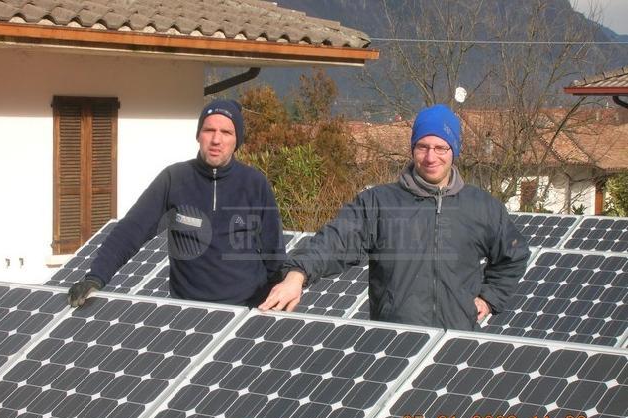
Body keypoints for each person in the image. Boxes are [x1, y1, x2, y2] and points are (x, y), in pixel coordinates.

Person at [260, 104, 530, 330]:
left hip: (456, 343)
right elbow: (335, 240)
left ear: (454, 151)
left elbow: (513, 255)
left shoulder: (482, 206)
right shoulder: (379, 203)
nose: (430, 157)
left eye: (440, 148)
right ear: (412, 148)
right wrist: (298, 274)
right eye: (422, 147)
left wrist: (489, 298)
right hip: (395, 340)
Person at [68, 99, 285, 307]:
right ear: (198, 135)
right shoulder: (174, 179)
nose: (216, 140)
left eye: (226, 132)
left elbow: (273, 252)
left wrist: (275, 305)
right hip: (188, 312)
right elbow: (132, 229)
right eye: (209, 130)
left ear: (237, 140)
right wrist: (96, 277)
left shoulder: (254, 183)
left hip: (244, 310)